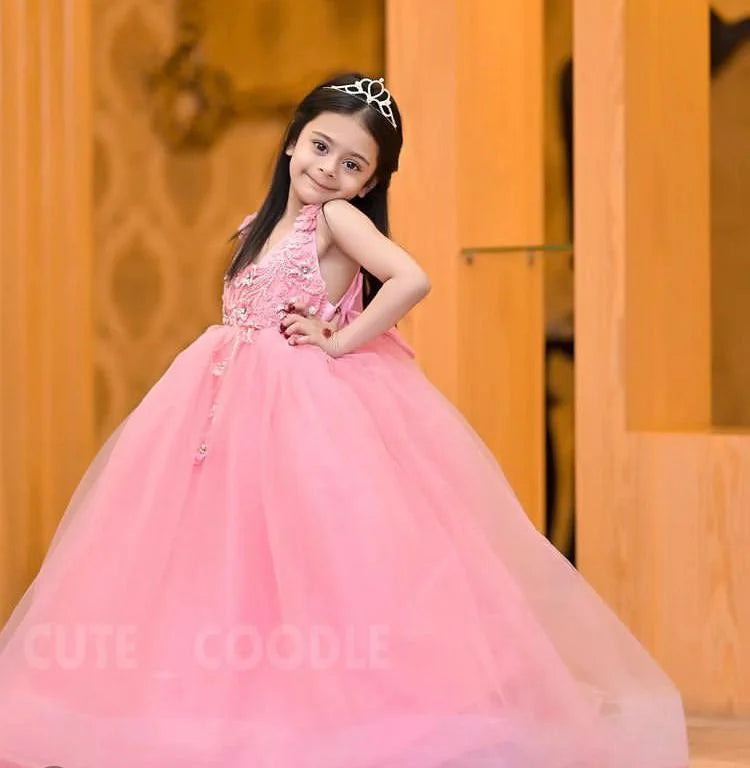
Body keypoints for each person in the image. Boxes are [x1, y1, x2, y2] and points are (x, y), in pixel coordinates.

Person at [0, 73, 688, 767]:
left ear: (369, 183)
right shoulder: (259, 224)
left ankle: (328, 715)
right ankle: (222, 703)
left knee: (304, 562)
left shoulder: (336, 220)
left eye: (352, 164)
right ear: (293, 140)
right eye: (320, 146)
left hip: (292, 415)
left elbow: (412, 278)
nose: (328, 169)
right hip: (221, 409)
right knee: (222, 563)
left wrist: (340, 339)